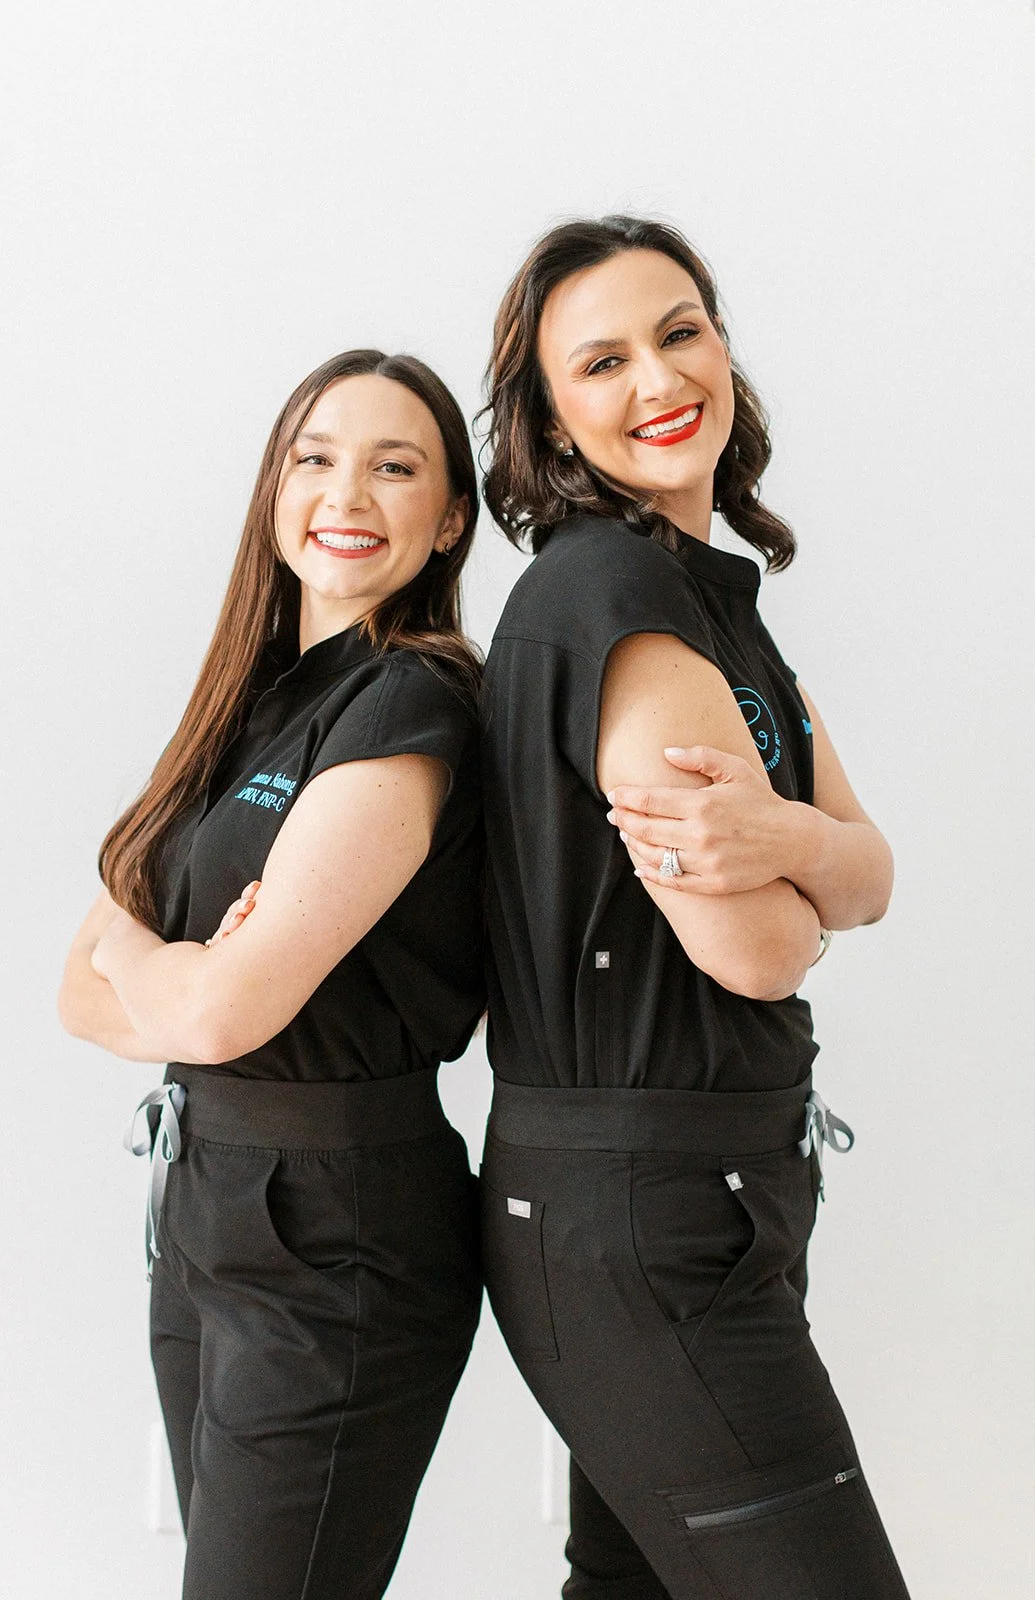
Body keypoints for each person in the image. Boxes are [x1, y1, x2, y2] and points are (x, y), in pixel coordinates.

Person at [477, 216, 910, 1598]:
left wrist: (782, 835)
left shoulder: (707, 601)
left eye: (678, 332)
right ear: (549, 420)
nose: (657, 379)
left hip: (680, 1204)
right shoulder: (612, 601)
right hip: (641, 1221)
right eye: (597, 362)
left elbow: (872, 868)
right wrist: (812, 866)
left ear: (721, 344)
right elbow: (764, 949)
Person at [57, 350, 484, 1600]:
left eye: (394, 465)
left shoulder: (411, 703)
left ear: (447, 515)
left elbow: (205, 1002)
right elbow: (73, 990)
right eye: (315, 457)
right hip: (202, 1206)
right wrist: (180, 968)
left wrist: (172, 966)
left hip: (337, 1233)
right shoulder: (238, 706)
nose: (345, 491)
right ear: (272, 489)